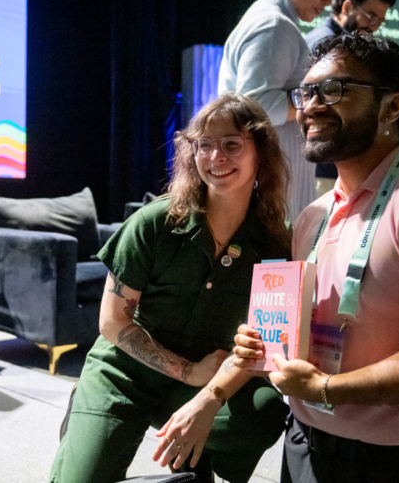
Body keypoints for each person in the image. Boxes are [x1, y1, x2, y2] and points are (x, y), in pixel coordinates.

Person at [233, 33, 399, 483]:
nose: (312, 105)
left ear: (392, 108)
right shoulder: (314, 215)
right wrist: (267, 348)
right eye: (307, 92)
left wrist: (326, 389)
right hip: (302, 444)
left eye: (334, 89)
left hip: (393, 465)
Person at [49, 93, 292, 483]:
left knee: (263, 411)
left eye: (232, 144)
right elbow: (112, 323)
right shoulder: (153, 223)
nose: (216, 157)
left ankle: (197, 459)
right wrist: (189, 372)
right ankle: (88, 413)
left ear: (260, 153)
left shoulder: (278, 244)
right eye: (204, 145)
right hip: (124, 373)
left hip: (211, 373)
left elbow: (265, 342)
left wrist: (208, 399)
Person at [218, 0, 342, 221]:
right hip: (273, 185)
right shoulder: (275, 25)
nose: (327, 0)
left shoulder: (271, 18)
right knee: (276, 258)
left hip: (272, 180)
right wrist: (315, 100)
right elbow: (255, 105)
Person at [304, 0, 396, 197]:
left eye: (380, 20)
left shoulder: (332, 41)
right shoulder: (329, 45)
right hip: (325, 169)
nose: (374, 25)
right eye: (370, 15)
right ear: (347, 6)